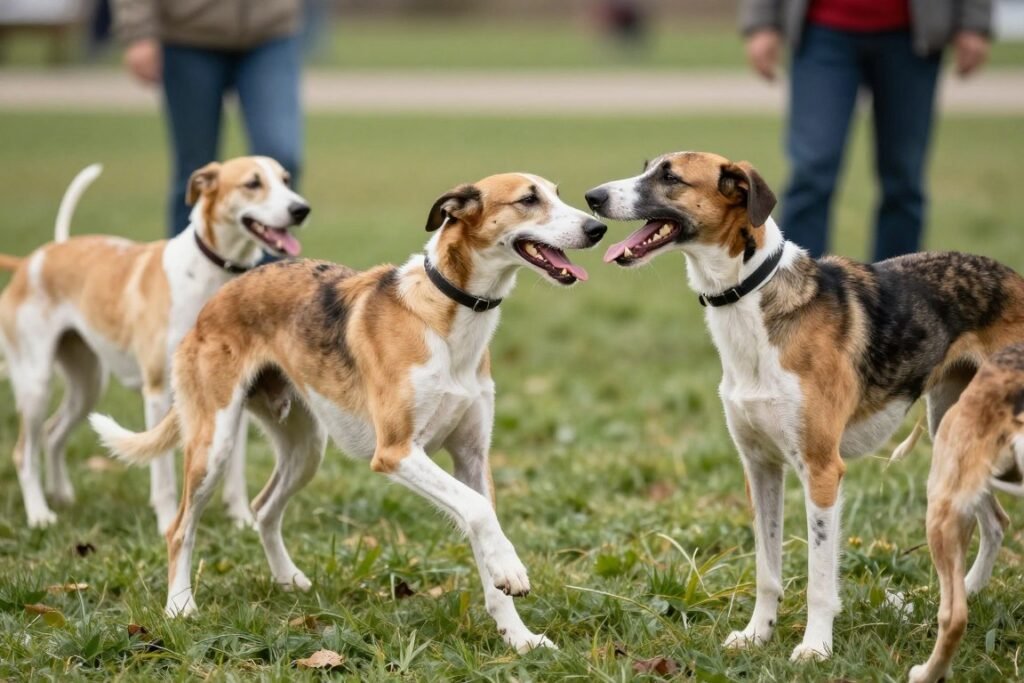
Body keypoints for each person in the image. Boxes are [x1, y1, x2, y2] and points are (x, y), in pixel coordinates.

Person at [739, 0, 993, 260]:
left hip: (911, 35)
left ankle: (897, 296)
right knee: (811, 172)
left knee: (904, 179)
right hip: (821, 29)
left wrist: (974, 20)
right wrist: (762, 20)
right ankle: (792, 291)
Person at [113, 0, 304, 236]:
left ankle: (270, 270)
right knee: (195, 172)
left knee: (281, 155)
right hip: (188, 36)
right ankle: (183, 270)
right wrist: (138, 31)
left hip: (270, 31)